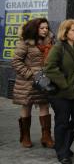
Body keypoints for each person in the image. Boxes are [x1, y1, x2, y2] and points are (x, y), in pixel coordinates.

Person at [44, 19, 74, 164]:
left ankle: (62, 144)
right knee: (62, 122)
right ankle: (62, 153)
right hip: (61, 93)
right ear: (65, 32)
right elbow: (49, 68)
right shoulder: (58, 47)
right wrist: (64, 83)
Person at [11, 18, 55, 148]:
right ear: (35, 28)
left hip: (44, 81)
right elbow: (16, 62)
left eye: (46, 28)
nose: (45, 30)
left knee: (44, 106)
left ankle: (46, 137)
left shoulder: (50, 41)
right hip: (27, 82)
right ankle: (25, 136)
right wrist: (30, 74)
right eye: (42, 28)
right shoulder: (25, 42)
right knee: (26, 106)